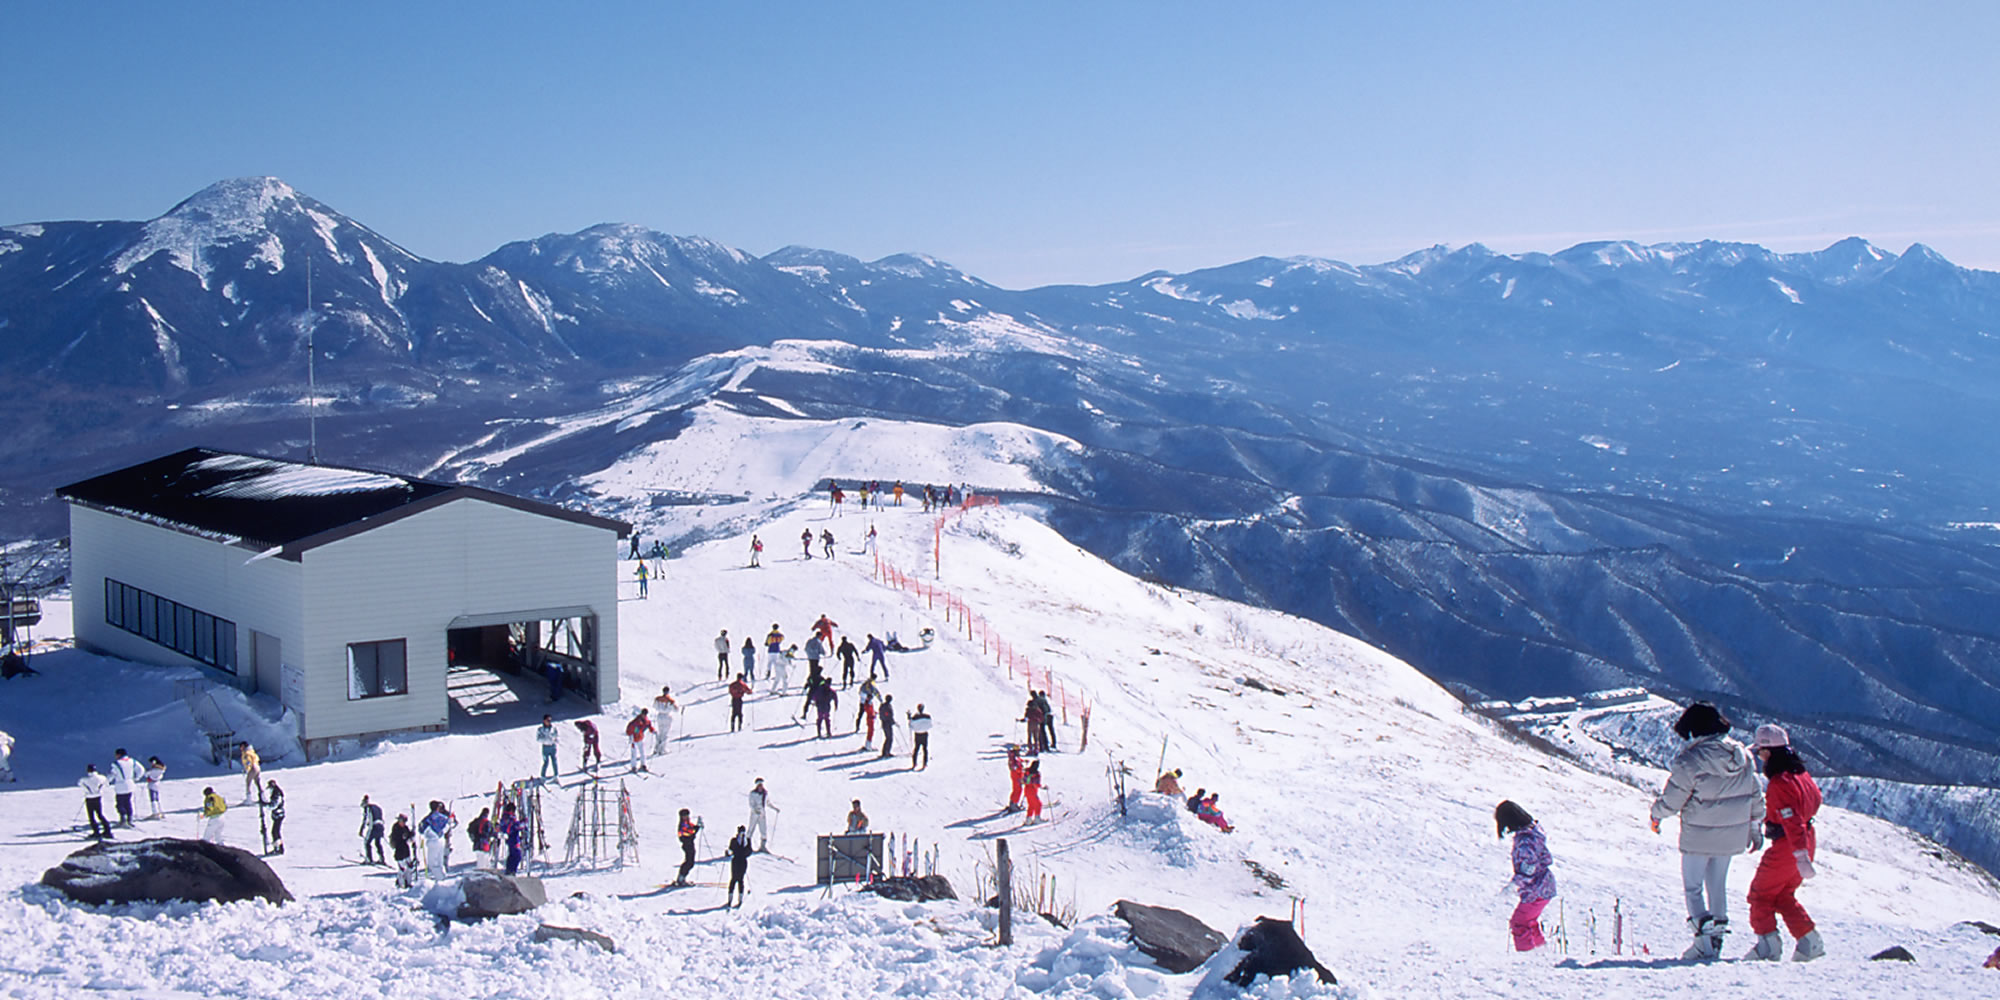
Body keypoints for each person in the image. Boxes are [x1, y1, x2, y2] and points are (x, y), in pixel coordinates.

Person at [1650, 701, 1763, 960]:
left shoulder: (1692, 759)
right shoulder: (1743, 755)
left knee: (1693, 887)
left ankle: (1703, 940)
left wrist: (1656, 815)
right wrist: (1755, 826)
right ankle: (1717, 937)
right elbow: (1755, 793)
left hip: (1698, 835)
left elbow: (1673, 799)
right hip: (1732, 835)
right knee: (1717, 885)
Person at [1744, 724, 1826, 962]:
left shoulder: (1780, 783)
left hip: (1788, 845)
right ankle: (1809, 941)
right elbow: (1814, 802)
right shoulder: (1802, 774)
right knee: (1782, 894)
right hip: (1806, 838)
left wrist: (1799, 856)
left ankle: (1768, 946)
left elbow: (1791, 820)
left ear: (1768, 752)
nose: (1760, 757)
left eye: (1760, 752)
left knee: (1760, 894)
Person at [1496, 800, 1555, 951]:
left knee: (1519, 923)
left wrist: (1513, 885)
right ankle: (1541, 953)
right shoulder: (1533, 831)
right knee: (1529, 921)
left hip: (1536, 889)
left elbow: (1528, 870)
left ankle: (1527, 959)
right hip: (1544, 886)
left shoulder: (1525, 843)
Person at [109, 748, 144, 827]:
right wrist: (136, 778)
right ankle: (130, 819)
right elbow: (141, 770)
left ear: (119, 754)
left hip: (120, 786)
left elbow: (112, 774)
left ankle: (123, 819)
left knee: (120, 804)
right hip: (130, 784)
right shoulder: (132, 761)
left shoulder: (116, 764)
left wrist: (106, 782)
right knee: (128, 802)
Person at [420, 800, 455, 879]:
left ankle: (441, 879)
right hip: (441, 840)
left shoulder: (428, 819)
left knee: (433, 865)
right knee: (440, 862)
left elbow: (421, 830)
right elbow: (450, 824)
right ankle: (443, 878)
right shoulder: (443, 817)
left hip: (432, 841)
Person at [79, 764, 112, 839]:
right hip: (98, 797)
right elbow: (106, 784)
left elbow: (80, 785)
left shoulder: (84, 780)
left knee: (91, 816)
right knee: (100, 814)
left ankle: (96, 832)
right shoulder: (102, 778)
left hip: (89, 799)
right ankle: (107, 830)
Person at [747, 777, 778, 851]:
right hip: (754, 814)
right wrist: (755, 810)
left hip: (762, 814)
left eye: (761, 784)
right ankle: (748, 846)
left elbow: (767, 803)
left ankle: (763, 846)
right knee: (751, 828)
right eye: (759, 784)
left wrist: (775, 808)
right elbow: (751, 804)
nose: (761, 786)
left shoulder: (765, 793)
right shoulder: (753, 793)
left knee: (763, 830)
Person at [727, 825, 754, 907]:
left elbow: (749, 851)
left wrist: (744, 852)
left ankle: (740, 899)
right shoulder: (734, 840)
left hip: (742, 861)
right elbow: (731, 849)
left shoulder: (747, 840)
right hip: (735, 861)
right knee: (734, 879)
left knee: (740, 879)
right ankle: (730, 899)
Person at [674, 809, 701, 886]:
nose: (686, 817)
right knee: (689, 862)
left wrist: (697, 826)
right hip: (687, 845)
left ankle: (681, 878)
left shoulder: (687, 823)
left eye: (687, 815)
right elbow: (689, 832)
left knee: (690, 862)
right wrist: (696, 829)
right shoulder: (682, 825)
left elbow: (692, 828)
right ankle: (681, 879)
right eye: (685, 816)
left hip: (690, 844)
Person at [499, 802, 527, 876]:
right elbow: (515, 826)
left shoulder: (505, 817)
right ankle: (511, 871)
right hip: (513, 839)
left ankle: (509, 870)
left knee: (512, 855)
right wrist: (523, 823)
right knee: (517, 855)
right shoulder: (509, 818)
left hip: (511, 838)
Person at [390, 814, 417, 888]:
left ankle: (409, 882)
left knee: (410, 867)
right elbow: (397, 839)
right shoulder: (396, 828)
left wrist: (411, 835)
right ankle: (400, 883)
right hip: (399, 851)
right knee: (402, 868)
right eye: (401, 821)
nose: (402, 823)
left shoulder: (405, 828)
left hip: (406, 850)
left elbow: (408, 838)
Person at [625, 709, 655, 773]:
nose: (644, 716)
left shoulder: (646, 721)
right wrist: (630, 735)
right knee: (634, 753)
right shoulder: (636, 721)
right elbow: (629, 729)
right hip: (634, 739)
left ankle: (643, 765)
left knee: (642, 752)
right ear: (641, 714)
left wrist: (653, 730)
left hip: (640, 738)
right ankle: (634, 766)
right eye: (643, 714)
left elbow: (649, 726)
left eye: (645, 714)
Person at [359, 795, 387, 865]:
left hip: (373, 827)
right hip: (380, 826)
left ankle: (369, 859)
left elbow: (366, 819)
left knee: (367, 842)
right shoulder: (377, 807)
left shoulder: (368, 808)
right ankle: (382, 859)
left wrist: (361, 830)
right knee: (377, 843)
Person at [652, 686, 678, 755]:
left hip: (660, 716)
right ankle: (663, 749)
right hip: (667, 716)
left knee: (660, 732)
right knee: (665, 733)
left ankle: (657, 748)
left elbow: (654, 706)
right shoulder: (670, 700)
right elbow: (676, 710)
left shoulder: (658, 699)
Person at [856, 675, 880, 747]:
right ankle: (857, 726)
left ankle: (857, 726)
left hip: (864, 702)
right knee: (862, 714)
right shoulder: (869, 685)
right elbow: (876, 692)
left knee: (860, 714)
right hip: (864, 702)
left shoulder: (866, 684)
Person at [908, 703, 933, 769]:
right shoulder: (927, 716)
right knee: (925, 749)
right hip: (924, 734)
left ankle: (914, 763)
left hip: (918, 734)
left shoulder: (915, 717)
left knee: (916, 749)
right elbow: (930, 725)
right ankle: (925, 763)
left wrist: (909, 718)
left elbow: (911, 725)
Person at [536, 715, 561, 781]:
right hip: (545, 747)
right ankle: (543, 776)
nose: (549, 722)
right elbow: (538, 738)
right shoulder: (541, 729)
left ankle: (556, 775)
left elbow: (557, 735)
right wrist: (545, 740)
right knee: (546, 761)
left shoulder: (553, 728)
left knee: (554, 761)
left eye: (550, 720)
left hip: (552, 746)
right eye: (547, 720)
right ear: (544, 721)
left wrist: (555, 740)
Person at [266, 780, 286, 855]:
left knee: (275, 832)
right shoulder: (276, 792)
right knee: (275, 832)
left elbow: (275, 804)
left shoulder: (276, 793)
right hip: (278, 815)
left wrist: (267, 806)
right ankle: (279, 847)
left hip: (279, 815)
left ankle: (278, 848)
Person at [877, 694, 898, 759]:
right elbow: (888, 716)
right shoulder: (887, 707)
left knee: (887, 738)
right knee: (889, 738)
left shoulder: (882, 706)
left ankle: (885, 752)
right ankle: (886, 752)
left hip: (884, 723)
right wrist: (892, 722)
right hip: (887, 724)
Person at [1007, 746, 1026, 813]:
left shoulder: (1013, 757)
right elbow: (1015, 767)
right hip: (1016, 776)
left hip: (1016, 776)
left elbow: (1018, 761)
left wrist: (1023, 762)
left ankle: (1012, 803)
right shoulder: (1014, 759)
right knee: (1018, 790)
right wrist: (1021, 769)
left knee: (1016, 789)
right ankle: (1014, 805)